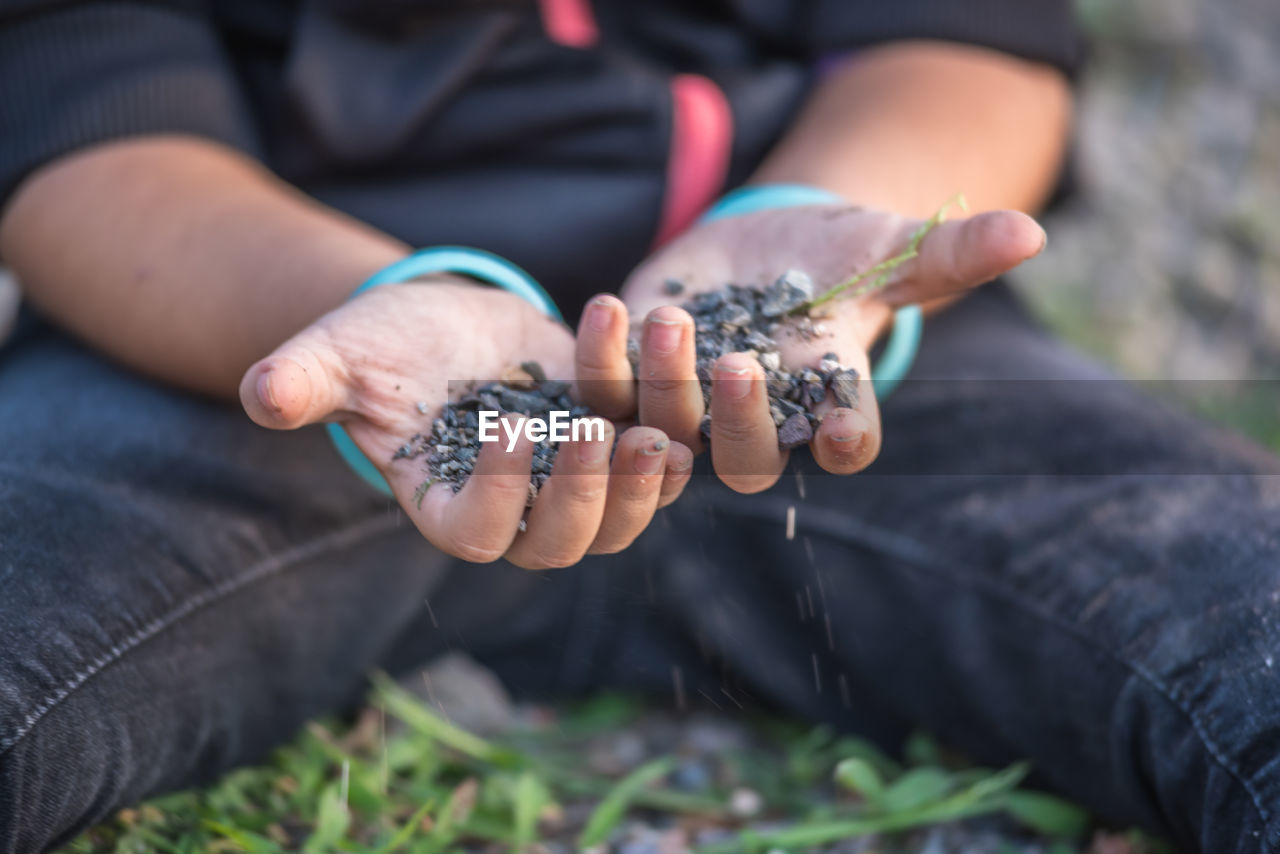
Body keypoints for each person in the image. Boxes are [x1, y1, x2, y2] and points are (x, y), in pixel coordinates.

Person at [0, 1, 1277, 851]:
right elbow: (77, 104)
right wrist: (379, 305)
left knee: (1246, 609)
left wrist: (822, 227)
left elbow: (965, 40)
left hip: (813, 350)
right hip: (262, 338)